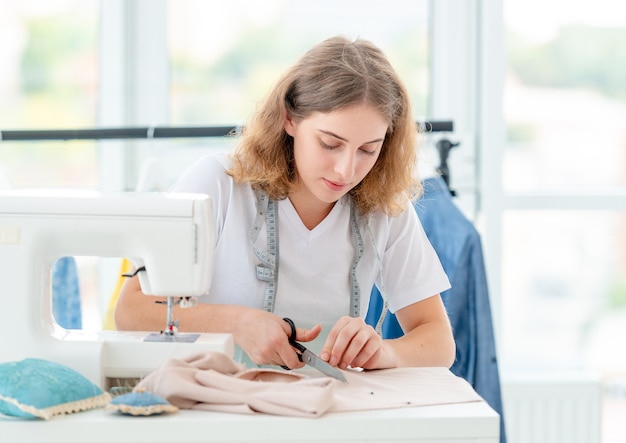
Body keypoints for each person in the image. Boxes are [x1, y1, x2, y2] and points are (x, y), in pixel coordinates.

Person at [114, 35, 455, 372]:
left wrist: (385, 352)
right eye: (330, 143)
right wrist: (236, 323)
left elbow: (439, 342)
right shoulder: (218, 183)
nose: (347, 170)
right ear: (289, 118)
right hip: (216, 405)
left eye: (368, 149)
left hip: (323, 407)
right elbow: (130, 311)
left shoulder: (382, 208)